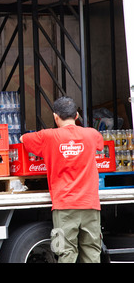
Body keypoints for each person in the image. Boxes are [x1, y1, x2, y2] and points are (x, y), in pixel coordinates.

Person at [20, 96, 104, 263]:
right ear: (77, 116)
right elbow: (101, 145)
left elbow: (23, 139)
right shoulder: (92, 134)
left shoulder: (47, 137)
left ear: (55, 117)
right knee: (92, 253)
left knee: (65, 253)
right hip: (91, 206)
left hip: (64, 207)